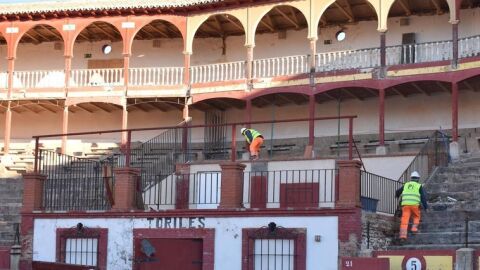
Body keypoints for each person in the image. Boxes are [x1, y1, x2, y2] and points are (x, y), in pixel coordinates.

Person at [395, 171, 428, 241]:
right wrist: (426, 207)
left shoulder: (406, 185)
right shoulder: (419, 186)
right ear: (418, 179)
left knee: (404, 220)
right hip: (415, 205)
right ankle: (414, 229)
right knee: (416, 216)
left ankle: (403, 236)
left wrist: (397, 195)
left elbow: (398, 191)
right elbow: (423, 197)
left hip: (405, 205)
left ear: (411, 178)